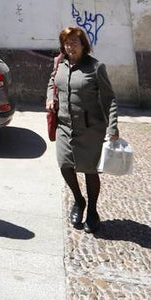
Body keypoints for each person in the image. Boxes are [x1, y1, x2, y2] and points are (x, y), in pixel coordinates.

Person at [45, 25, 118, 234]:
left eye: (74, 43)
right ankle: (79, 200)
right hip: (64, 126)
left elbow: (109, 98)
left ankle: (93, 211)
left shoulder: (96, 67)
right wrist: (50, 98)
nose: (70, 47)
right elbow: (52, 82)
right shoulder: (59, 63)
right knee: (64, 165)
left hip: (90, 128)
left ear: (83, 44)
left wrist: (112, 126)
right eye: (67, 43)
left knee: (89, 170)